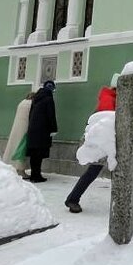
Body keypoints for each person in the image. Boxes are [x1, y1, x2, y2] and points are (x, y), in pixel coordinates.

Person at [66, 75, 117, 213]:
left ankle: (121, 206)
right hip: (103, 141)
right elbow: (108, 119)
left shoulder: (113, 97)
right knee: (93, 171)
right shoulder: (109, 97)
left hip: (109, 140)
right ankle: (72, 199)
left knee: (107, 172)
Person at [24, 79, 58, 183]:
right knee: (39, 155)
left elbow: (30, 115)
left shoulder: (36, 98)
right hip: (42, 131)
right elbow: (51, 115)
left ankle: (34, 174)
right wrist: (53, 129)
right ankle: (36, 176)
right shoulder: (48, 98)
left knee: (34, 155)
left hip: (33, 130)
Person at [2, 90, 34, 176]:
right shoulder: (31, 104)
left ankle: (13, 166)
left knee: (14, 146)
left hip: (16, 127)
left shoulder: (22, 103)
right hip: (25, 128)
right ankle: (21, 170)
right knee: (21, 149)